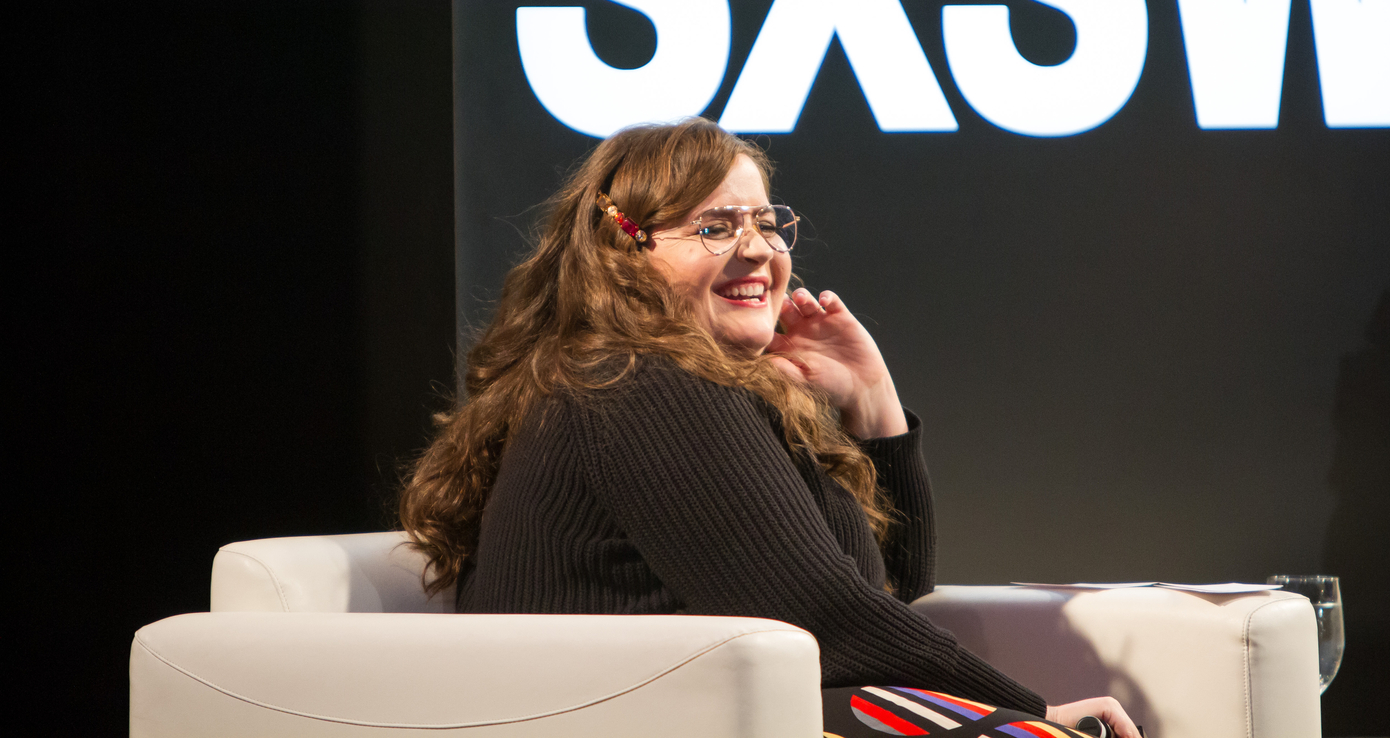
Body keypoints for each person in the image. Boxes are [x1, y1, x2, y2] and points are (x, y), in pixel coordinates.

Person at [401, 119, 1139, 738]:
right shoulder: (636, 385)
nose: (757, 249)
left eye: (765, 222)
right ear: (625, 253)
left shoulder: (683, 384)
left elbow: (888, 592)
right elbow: (822, 614)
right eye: (713, 227)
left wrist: (873, 406)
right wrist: (1030, 712)